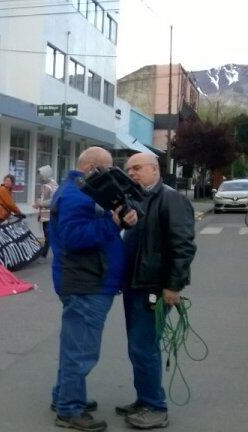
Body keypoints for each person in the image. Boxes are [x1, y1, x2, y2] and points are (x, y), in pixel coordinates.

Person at [49, 147, 138, 432]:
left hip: (87, 281)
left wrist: (115, 220)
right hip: (87, 283)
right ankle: (69, 410)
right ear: (90, 167)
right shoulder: (77, 193)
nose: (112, 175)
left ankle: (65, 397)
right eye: (107, 169)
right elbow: (75, 237)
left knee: (74, 346)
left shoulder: (79, 190)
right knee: (82, 350)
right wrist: (112, 222)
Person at [116, 153, 197, 429]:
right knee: (137, 348)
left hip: (152, 287)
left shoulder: (171, 199)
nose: (132, 173)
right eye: (129, 170)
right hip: (134, 285)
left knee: (145, 348)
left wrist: (174, 286)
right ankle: (145, 398)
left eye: (137, 168)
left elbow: (183, 246)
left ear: (155, 169)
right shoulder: (138, 198)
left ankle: (155, 406)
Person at [34, 165, 59, 262]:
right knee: (49, 235)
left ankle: (44, 254)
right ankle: (46, 254)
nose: (40, 177)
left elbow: (51, 201)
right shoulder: (53, 184)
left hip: (48, 215)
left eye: (41, 175)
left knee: (48, 235)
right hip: (47, 214)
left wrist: (40, 203)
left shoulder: (49, 186)